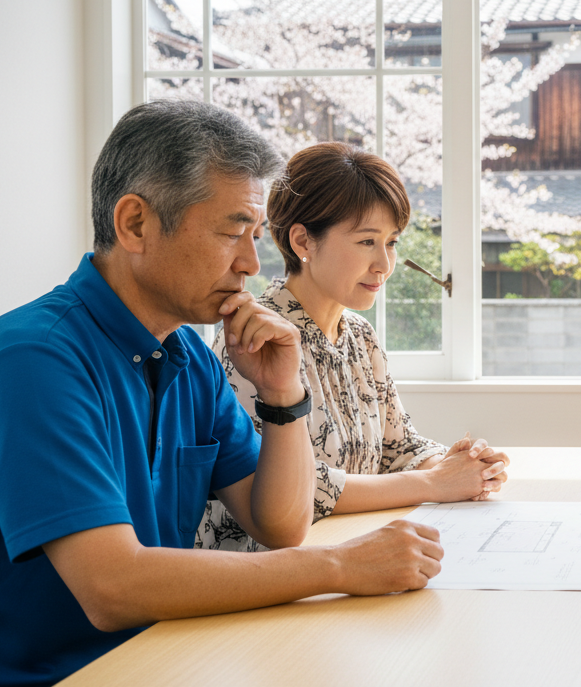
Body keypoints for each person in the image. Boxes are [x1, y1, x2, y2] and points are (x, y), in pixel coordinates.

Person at [0, 101, 444, 686]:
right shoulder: (32, 358)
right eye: (232, 232)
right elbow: (111, 586)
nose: (251, 262)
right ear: (136, 224)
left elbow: (280, 524)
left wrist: (282, 394)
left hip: (165, 655)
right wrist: (340, 564)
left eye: (254, 236)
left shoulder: (187, 356)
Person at [197, 142, 509, 551]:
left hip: (345, 547)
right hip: (263, 571)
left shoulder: (360, 334)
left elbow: (398, 447)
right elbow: (299, 488)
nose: (384, 264)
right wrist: (433, 482)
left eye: (392, 242)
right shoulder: (255, 339)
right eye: (366, 242)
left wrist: (458, 466)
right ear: (303, 242)